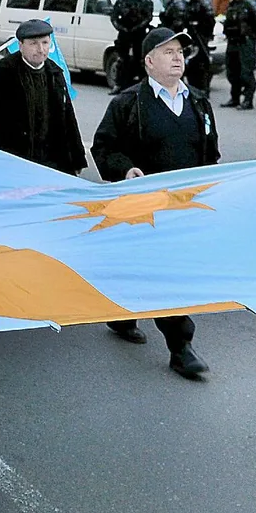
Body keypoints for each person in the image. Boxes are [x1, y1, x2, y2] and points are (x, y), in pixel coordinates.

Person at [90, 27, 218, 379]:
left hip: (184, 209)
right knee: (156, 270)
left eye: (180, 52)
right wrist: (126, 169)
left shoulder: (199, 103)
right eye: (168, 51)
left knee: (166, 271)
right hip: (143, 209)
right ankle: (179, 346)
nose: (178, 57)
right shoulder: (129, 103)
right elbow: (103, 147)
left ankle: (133, 321)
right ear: (149, 62)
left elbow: (211, 155)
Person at [0, 19, 86, 175]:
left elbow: (68, 117)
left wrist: (76, 157)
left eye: (45, 43)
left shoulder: (55, 73)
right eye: (33, 43)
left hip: (49, 161)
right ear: (20, 45)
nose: (41, 49)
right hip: (10, 160)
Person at [221, 0, 256, 110]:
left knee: (246, 72)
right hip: (232, 42)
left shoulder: (250, 3)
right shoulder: (232, 4)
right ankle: (234, 98)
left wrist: (253, 37)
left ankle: (248, 100)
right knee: (231, 71)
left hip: (245, 42)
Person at [110, 0, 154, 91]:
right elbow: (114, 17)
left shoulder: (143, 1)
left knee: (140, 59)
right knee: (122, 60)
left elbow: (148, 17)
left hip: (139, 35)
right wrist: (122, 28)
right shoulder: (121, 1)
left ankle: (142, 84)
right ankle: (120, 84)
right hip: (124, 35)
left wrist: (137, 27)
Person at [184, 0, 217, 93]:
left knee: (202, 65)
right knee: (192, 65)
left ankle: (203, 88)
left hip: (201, 38)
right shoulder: (191, 3)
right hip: (192, 37)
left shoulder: (204, 2)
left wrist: (201, 29)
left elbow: (210, 20)